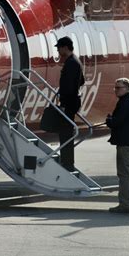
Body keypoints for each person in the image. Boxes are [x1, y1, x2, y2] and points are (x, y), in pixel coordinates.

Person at [106, 78, 129, 214]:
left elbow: (117, 122)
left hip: (125, 143)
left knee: (124, 175)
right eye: (115, 88)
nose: (116, 90)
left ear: (127, 88)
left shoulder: (125, 102)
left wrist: (109, 120)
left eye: (118, 88)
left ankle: (124, 205)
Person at [55, 36, 84, 172]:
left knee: (65, 133)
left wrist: (64, 102)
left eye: (59, 48)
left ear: (65, 47)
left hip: (69, 102)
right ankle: (67, 161)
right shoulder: (75, 61)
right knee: (66, 131)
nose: (58, 52)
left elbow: (70, 86)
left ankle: (67, 162)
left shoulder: (71, 63)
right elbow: (81, 81)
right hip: (73, 101)